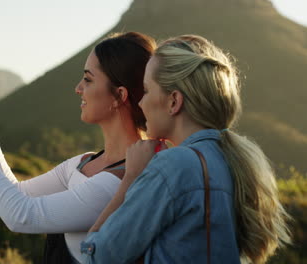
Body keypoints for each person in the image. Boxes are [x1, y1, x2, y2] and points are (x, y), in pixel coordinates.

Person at [0, 32, 160, 263]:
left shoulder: (120, 181)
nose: (78, 88)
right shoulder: (85, 162)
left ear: (119, 95)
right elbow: (17, 194)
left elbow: (20, 215)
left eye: (88, 80)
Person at [81, 35, 291, 264]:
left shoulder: (174, 165)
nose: (140, 103)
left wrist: (131, 178)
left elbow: (96, 256)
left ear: (174, 101)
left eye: (147, 90)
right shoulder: (228, 158)